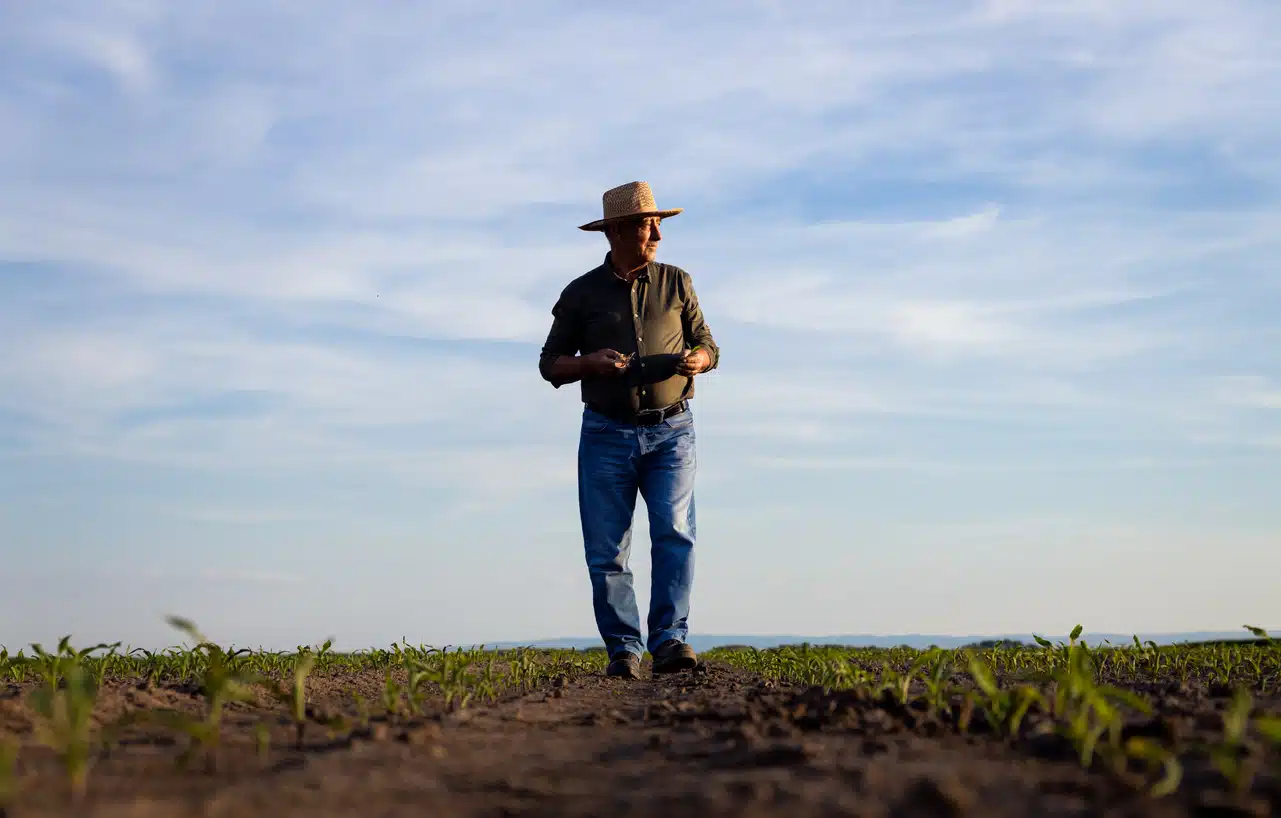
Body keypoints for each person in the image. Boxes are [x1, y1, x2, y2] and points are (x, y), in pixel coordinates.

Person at [538, 181, 720, 679]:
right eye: (646, 224)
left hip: (673, 430)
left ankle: (670, 641)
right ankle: (624, 648)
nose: (657, 232)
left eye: (657, 223)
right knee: (607, 549)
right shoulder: (580, 293)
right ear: (616, 230)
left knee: (675, 532)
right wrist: (590, 363)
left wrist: (700, 359)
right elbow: (550, 364)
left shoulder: (678, 282)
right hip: (605, 434)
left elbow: (709, 344)